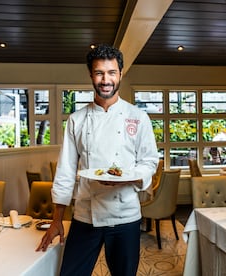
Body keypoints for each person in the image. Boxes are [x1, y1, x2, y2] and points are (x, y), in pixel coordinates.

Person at [36, 44, 159, 276]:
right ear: (91, 75)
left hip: (125, 216)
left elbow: (149, 161)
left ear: (120, 74)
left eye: (112, 72)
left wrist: (128, 178)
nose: (106, 80)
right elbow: (65, 171)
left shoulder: (138, 117)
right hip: (85, 215)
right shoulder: (77, 120)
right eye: (99, 73)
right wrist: (56, 220)